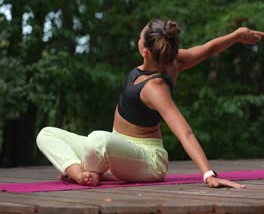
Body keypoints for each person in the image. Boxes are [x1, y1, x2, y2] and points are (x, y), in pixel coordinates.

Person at [36, 19, 264, 189]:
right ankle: (82, 172)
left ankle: (87, 171)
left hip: (146, 160)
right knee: (46, 134)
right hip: (117, 150)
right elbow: (208, 49)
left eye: (140, 36)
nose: (138, 37)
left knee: (97, 139)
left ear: (145, 51)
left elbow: (185, 133)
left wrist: (208, 174)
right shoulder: (174, 60)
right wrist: (236, 35)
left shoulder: (156, 89)